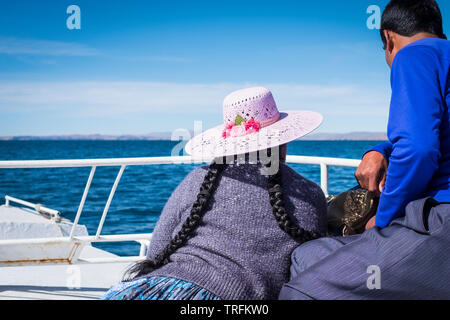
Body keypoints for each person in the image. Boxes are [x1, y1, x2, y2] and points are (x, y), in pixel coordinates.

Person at [279, 0, 450, 300]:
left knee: (301, 291)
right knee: (307, 256)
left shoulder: (412, 55)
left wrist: (382, 221)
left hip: (440, 219)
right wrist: (381, 149)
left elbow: (418, 149)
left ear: (388, 38)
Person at [102, 86, 327, 300]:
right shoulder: (310, 195)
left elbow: (155, 254)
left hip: (151, 288)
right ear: (282, 140)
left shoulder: (197, 179)